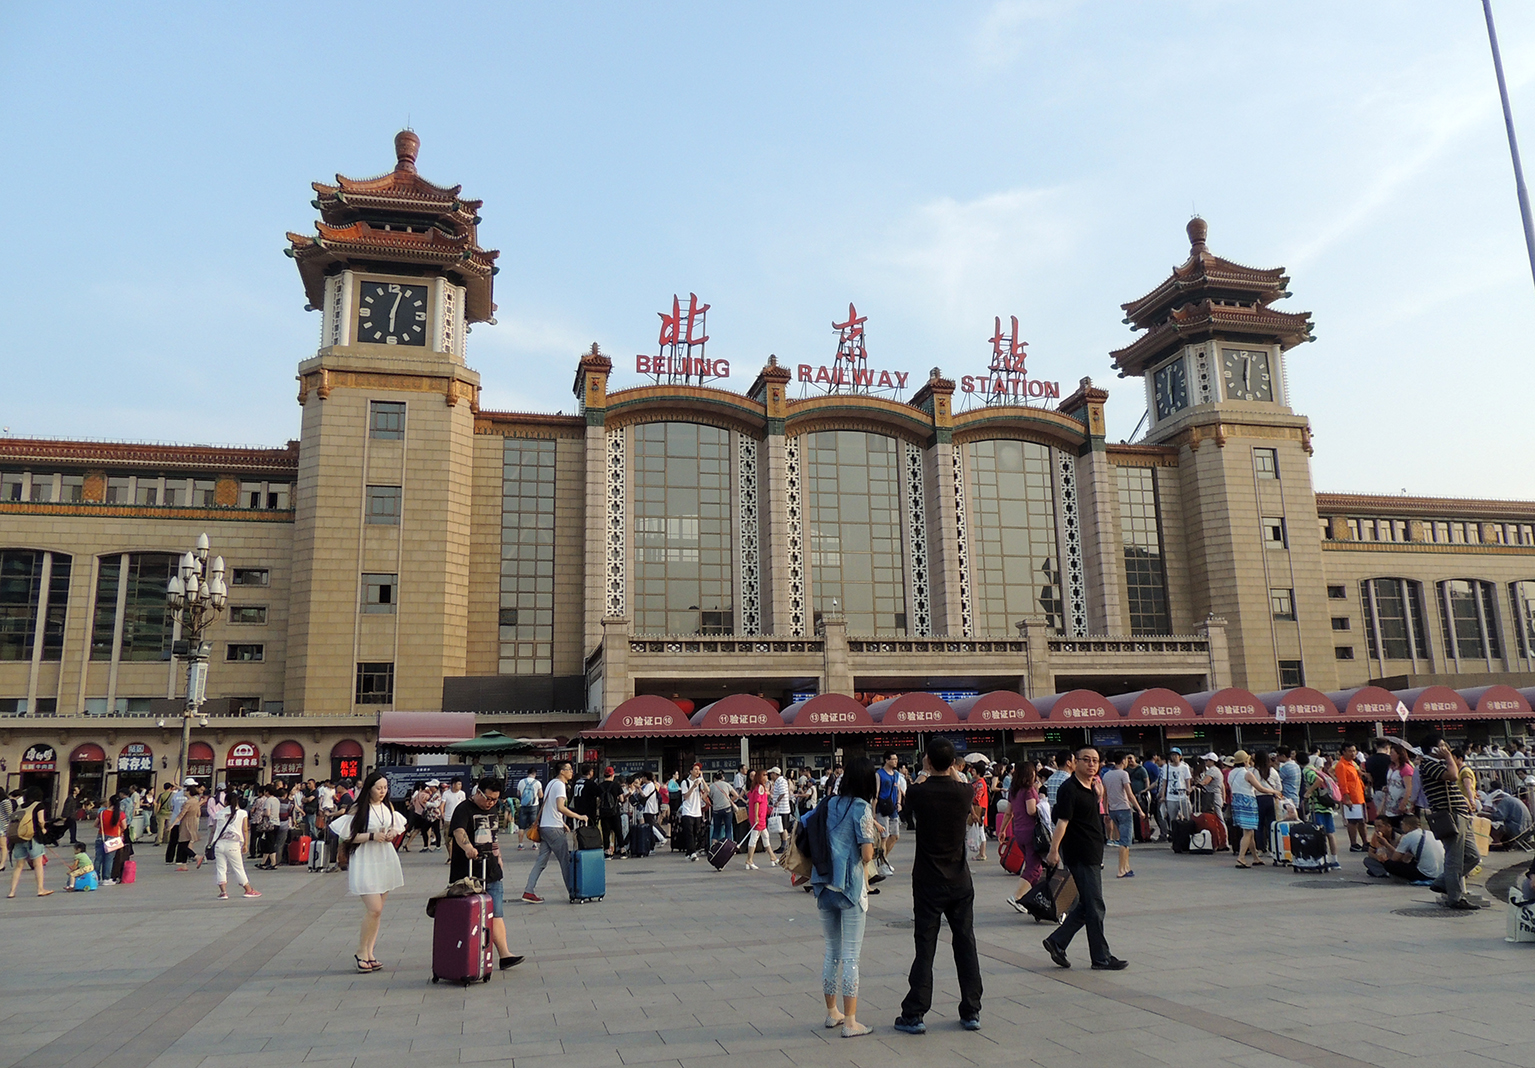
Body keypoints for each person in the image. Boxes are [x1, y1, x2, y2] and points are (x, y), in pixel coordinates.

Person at [892, 737, 981, 1035]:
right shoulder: (964, 791)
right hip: (960, 879)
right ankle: (971, 1010)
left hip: (928, 880)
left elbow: (906, 808)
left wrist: (923, 773)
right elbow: (960, 780)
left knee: (925, 946)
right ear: (955, 763)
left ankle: (914, 1013)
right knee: (965, 942)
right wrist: (953, 770)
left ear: (927, 760)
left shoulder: (919, 791)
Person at [810, 756, 879, 1039]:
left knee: (831, 952)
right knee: (851, 956)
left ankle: (832, 1013)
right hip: (850, 887)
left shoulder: (829, 803)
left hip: (824, 883)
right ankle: (851, 1022)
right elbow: (866, 854)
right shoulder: (861, 807)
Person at [1042, 745, 1127, 971]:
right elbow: (1062, 821)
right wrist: (1053, 851)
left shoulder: (1090, 787)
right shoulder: (1069, 789)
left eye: (1095, 761)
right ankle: (1101, 958)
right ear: (1075, 762)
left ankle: (1057, 942)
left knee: (1086, 905)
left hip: (1092, 851)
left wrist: (1098, 795)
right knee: (1095, 905)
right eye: (1086, 760)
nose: (1091, 764)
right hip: (1080, 853)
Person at [448, 775, 525, 973]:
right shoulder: (463, 809)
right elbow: (458, 832)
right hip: (468, 872)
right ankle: (466, 954)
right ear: (478, 793)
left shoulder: (493, 809)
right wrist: (467, 847)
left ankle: (505, 955)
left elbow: (493, 835)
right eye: (488, 798)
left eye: (494, 800)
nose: (490, 803)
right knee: (469, 915)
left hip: (491, 869)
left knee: (496, 912)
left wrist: (498, 856)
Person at [333, 771, 407, 972]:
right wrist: (372, 836)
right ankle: (360, 951)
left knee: (378, 912)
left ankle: (369, 952)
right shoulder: (358, 809)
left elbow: (397, 826)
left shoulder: (387, 807)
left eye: (385, 788)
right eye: (378, 788)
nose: (382, 792)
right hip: (365, 860)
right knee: (374, 909)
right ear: (369, 788)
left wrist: (391, 833)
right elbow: (348, 836)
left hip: (384, 858)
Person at [1415, 734, 1478, 909]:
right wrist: (1449, 757)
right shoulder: (1428, 764)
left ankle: (1443, 881)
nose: (1446, 748)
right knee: (1454, 858)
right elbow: (1451, 775)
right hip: (1450, 815)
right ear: (1433, 749)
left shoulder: (1436, 763)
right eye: (1442, 745)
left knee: (1473, 856)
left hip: (1460, 814)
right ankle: (1455, 898)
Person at [523, 760, 587, 903]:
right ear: (562, 771)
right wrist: (579, 816)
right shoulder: (560, 785)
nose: (571, 772)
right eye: (569, 769)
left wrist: (563, 822)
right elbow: (560, 807)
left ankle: (529, 890)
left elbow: (550, 807)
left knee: (541, 861)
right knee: (565, 861)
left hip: (545, 827)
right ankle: (573, 892)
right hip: (553, 829)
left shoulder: (551, 783)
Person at [1228, 750, 1281, 868]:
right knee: (1248, 832)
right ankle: (1241, 857)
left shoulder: (1231, 773)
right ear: (1245, 761)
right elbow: (1260, 788)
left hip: (1236, 800)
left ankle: (1255, 857)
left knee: (1249, 831)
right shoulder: (1247, 774)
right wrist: (1274, 791)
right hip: (1248, 802)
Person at [1006, 762, 1045, 911]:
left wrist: (1003, 830)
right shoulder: (1029, 790)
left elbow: (1009, 812)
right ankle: (1017, 897)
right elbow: (1031, 810)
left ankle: (1033, 899)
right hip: (1031, 832)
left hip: (1019, 831)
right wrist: (1042, 807)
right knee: (1033, 867)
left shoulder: (1013, 791)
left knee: (1034, 866)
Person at [1100, 752, 1144, 879]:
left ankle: (1127, 867)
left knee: (1125, 839)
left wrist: (1106, 811)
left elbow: (1105, 795)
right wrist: (1139, 810)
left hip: (1113, 810)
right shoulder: (1123, 774)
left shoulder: (1107, 775)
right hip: (1124, 808)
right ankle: (1121, 869)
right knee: (1124, 841)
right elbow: (1129, 794)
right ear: (1123, 761)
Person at [209, 793, 260, 900]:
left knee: (221, 868)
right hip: (233, 844)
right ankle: (248, 889)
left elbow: (214, 830)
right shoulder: (242, 813)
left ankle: (223, 892)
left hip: (219, 843)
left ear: (225, 802)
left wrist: (210, 844)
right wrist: (245, 844)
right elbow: (245, 829)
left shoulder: (219, 813)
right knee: (238, 868)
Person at [1365, 814, 1442, 883]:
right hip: (1440, 872)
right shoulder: (1429, 833)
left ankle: (1390, 874)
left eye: (1403, 825)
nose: (1402, 827)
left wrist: (1385, 844)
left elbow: (1395, 859)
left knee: (1389, 865)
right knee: (1368, 861)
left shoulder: (1407, 837)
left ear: (1408, 826)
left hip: (1426, 874)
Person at [7, 787, 52, 898]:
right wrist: (43, 829)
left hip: (19, 838)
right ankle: (40, 889)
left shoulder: (20, 806)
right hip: (33, 838)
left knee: (19, 866)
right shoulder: (39, 805)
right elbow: (41, 821)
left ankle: (12, 891)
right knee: (38, 864)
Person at [1302, 754, 1341, 870]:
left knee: (1319, 834)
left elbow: (1318, 781)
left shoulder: (1307, 772)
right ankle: (1334, 860)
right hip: (1327, 805)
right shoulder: (1315, 770)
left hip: (1317, 806)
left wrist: (1308, 792)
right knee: (1330, 833)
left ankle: (1323, 859)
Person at [1333, 743, 1368, 852]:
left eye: (1354, 751)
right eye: (1350, 751)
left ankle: (1365, 842)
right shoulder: (1341, 765)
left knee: (1362, 821)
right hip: (1352, 797)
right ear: (1343, 752)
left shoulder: (1352, 763)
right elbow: (1343, 783)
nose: (1353, 753)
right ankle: (1354, 843)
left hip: (1359, 796)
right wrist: (1346, 798)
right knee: (1353, 821)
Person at [743, 770, 777, 870]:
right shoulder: (760, 787)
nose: (766, 777)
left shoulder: (754, 788)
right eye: (764, 775)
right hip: (759, 817)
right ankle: (749, 860)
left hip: (757, 816)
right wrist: (757, 816)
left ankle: (772, 857)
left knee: (765, 836)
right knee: (754, 837)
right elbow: (757, 802)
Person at [875, 752, 904, 865]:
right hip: (882, 806)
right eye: (893, 759)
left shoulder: (896, 774)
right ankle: (883, 861)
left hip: (893, 807)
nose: (896, 761)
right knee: (884, 836)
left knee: (895, 835)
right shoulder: (879, 774)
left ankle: (883, 857)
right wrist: (874, 811)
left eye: (897, 759)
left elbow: (898, 790)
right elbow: (876, 793)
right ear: (887, 760)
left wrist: (899, 803)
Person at [1253, 751, 1282, 857]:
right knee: (1272, 825)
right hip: (1271, 799)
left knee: (1259, 825)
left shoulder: (1253, 771)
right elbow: (1279, 787)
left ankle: (1261, 848)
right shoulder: (1273, 771)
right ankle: (1273, 848)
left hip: (1258, 799)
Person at [169, 784, 205, 872]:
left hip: (186, 823)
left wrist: (172, 824)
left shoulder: (188, 802)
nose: (184, 792)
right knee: (185, 843)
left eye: (185, 791)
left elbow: (181, 815)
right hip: (193, 822)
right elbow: (198, 814)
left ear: (189, 792)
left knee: (182, 844)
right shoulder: (196, 801)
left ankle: (196, 857)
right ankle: (184, 865)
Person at [678, 763, 707, 859]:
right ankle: (693, 852)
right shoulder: (685, 782)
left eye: (698, 770)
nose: (697, 771)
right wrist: (693, 786)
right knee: (689, 833)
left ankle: (689, 853)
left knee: (696, 832)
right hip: (687, 811)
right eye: (695, 769)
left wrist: (702, 779)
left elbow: (707, 790)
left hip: (697, 811)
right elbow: (685, 796)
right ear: (691, 771)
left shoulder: (699, 782)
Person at [1159, 748, 1192, 834]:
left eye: (1176, 755)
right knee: (1172, 818)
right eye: (1172, 755)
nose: (1174, 757)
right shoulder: (1166, 767)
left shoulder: (1185, 767)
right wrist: (1163, 795)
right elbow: (1164, 782)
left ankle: (1187, 834)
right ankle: (1174, 835)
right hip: (1171, 796)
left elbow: (1187, 780)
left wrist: (1188, 791)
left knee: (1187, 816)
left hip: (1183, 795)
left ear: (1180, 756)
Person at [598, 767, 626, 858]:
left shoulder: (600, 786)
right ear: (612, 775)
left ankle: (607, 852)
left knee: (606, 832)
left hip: (604, 813)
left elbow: (598, 800)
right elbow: (622, 799)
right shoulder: (616, 786)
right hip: (614, 812)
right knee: (618, 831)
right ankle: (622, 851)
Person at [708, 772, 740, 846]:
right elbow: (736, 795)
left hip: (716, 809)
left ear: (714, 778)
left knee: (716, 829)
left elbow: (705, 796)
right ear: (722, 778)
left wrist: (710, 803)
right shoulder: (727, 784)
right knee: (728, 828)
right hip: (727, 808)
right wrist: (730, 800)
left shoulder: (711, 786)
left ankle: (713, 847)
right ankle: (728, 847)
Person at [515, 770, 543, 849]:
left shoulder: (521, 782)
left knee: (521, 826)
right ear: (535, 774)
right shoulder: (537, 783)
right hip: (534, 806)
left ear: (527, 773)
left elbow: (518, 794)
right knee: (534, 825)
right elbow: (541, 795)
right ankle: (534, 844)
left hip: (523, 806)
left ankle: (520, 844)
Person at [768, 767, 793, 851]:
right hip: (780, 808)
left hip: (783, 808)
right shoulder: (779, 781)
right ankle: (782, 844)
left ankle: (784, 845)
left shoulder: (781, 781)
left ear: (775, 774)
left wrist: (777, 801)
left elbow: (782, 793)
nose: (771, 775)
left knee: (783, 828)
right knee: (780, 827)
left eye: (772, 774)